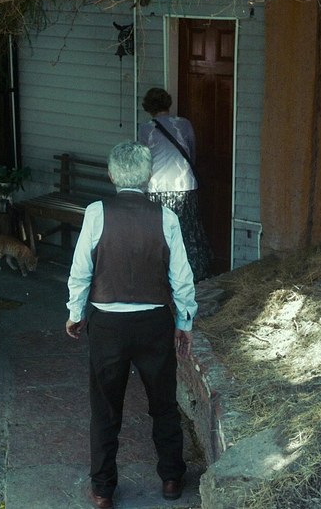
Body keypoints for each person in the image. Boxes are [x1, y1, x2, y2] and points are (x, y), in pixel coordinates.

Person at [65, 141, 198, 509]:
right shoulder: (165, 217)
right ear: (148, 177)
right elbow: (181, 277)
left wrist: (76, 313)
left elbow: (81, 270)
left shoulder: (97, 213)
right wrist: (184, 320)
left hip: (107, 323)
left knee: (105, 408)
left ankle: (102, 489)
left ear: (111, 175)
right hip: (154, 322)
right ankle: (171, 478)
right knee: (163, 402)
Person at [137, 87, 214, 282]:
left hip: (157, 187)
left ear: (148, 107)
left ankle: (162, 274)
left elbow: (143, 161)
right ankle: (194, 274)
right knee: (188, 231)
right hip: (185, 185)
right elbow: (192, 153)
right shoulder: (184, 124)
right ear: (168, 104)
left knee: (160, 232)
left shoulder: (146, 128)